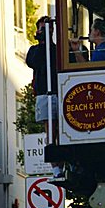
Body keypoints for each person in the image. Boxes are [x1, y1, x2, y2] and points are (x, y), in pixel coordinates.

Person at [26, 16, 62, 177]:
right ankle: (55, 166)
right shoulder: (34, 50)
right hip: (43, 93)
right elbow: (34, 62)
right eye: (43, 29)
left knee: (61, 130)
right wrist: (42, 42)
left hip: (58, 92)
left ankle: (62, 163)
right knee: (50, 130)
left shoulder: (58, 49)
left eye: (49, 29)